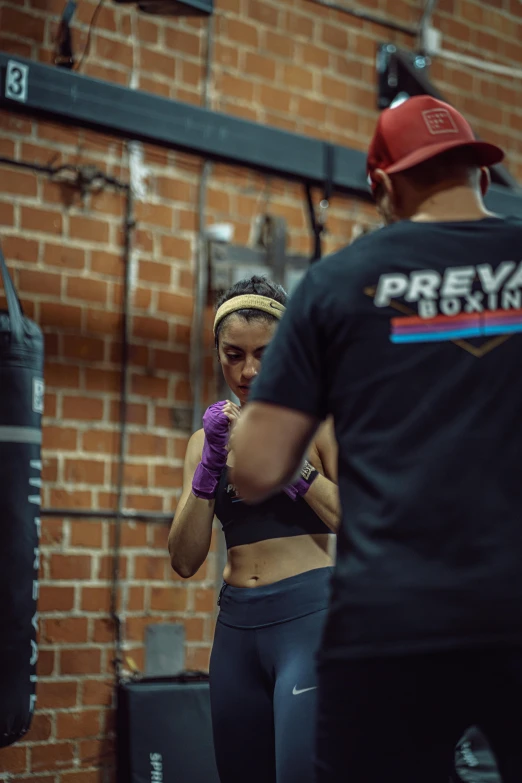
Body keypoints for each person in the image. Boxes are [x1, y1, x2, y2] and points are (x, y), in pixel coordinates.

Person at [231, 95, 522, 783]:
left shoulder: (335, 284)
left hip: (390, 621)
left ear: (383, 186)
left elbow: (257, 468)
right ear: (481, 175)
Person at [168, 275, 339, 783]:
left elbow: (362, 521)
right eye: (233, 354)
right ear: (217, 351)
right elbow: (183, 559)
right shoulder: (206, 440)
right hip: (236, 631)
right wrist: (209, 469)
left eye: (264, 352)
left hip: (307, 621)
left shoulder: (320, 423)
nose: (249, 370)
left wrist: (292, 469)